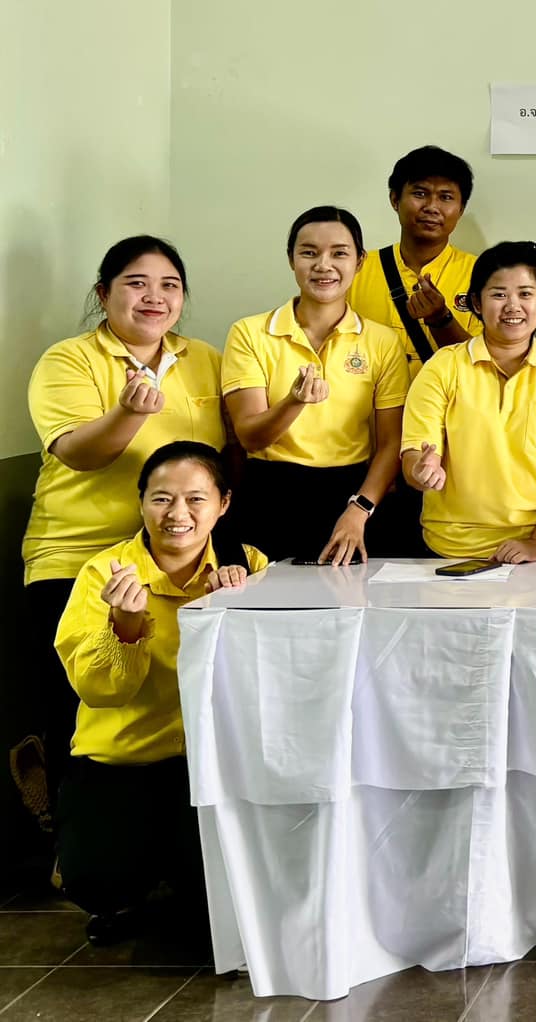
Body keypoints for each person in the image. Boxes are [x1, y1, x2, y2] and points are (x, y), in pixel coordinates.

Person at [18, 236, 225, 833]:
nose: (154, 297)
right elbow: (79, 453)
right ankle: (70, 835)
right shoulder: (69, 359)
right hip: (80, 553)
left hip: (176, 563)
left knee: (171, 703)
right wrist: (130, 411)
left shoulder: (205, 359)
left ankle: (163, 842)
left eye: (170, 285)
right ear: (104, 293)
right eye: (137, 283)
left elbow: (225, 457)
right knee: (77, 704)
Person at [53, 441, 266, 946]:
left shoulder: (248, 565)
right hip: (123, 762)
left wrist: (235, 612)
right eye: (161, 499)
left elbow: (268, 677)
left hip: (211, 765)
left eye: (196, 499)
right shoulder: (104, 574)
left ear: (224, 504)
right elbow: (98, 690)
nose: (178, 515)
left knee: (216, 896)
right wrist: (125, 627)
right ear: (141, 501)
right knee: (99, 883)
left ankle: (180, 872)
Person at [221, 206, 409, 564]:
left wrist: (361, 509)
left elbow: (391, 444)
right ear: (291, 259)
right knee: (268, 611)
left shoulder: (382, 341)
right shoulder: (250, 333)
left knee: (349, 609)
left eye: (339, 253)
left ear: (360, 261)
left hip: (352, 494)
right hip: (269, 492)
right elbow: (250, 436)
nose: (324, 265)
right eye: (309, 252)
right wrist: (293, 401)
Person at [401, 241, 536, 562]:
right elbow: (416, 453)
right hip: (448, 550)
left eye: (525, 294)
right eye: (498, 294)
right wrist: (420, 471)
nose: (512, 306)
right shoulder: (443, 366)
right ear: (476, 303)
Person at [349, 145, 480, 373]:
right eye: (420, 194)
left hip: (447, 407)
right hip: (366, 407)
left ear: (460, 209)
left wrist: (442, 320)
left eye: (446, 197)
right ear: (394, 199)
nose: (432, 207)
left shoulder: (482, 274)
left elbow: (484, 365)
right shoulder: (355, 269)